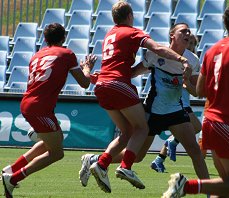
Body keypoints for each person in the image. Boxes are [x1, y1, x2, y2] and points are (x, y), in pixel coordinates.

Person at [79, 22, 209, 190]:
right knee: (138, 157)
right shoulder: (155, 54)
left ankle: (210, 192)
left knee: (195, 152)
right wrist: (98, 76)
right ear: (172, 36)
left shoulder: (193, 60)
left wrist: (186, 80)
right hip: (152, 113)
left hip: (176, 111)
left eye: (189, 32)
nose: (188, 34)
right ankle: (96, 160)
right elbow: (131, 73)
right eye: (183, 31)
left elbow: (196, 91)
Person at [162, 2, 229, 197]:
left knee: (228, 187)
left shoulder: (212, 51)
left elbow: (201, 90)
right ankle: (185, 186)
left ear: (225, 24)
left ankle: (187, 186)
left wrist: (187, 82)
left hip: (210, 122)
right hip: (227, 123)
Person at [1, 22, 97, 198]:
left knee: (53, 140)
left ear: (45, 39)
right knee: (57, 153)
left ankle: (11, 169)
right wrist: (87, 67)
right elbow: (84, 83)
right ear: (64, 38)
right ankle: (13, 178)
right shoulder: (67, 54)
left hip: (28, 103)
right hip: (41, 107)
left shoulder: (36, 56)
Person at [150, 33, 203, 172]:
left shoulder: (193, 61)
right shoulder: (175, 58)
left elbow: (196, 88)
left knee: (194, 129)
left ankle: (159, 159)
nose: (191, 46)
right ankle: (169, 144)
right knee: (196, 127)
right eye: (189, 42)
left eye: (193, 44)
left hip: (182, 102)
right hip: (177, 104)